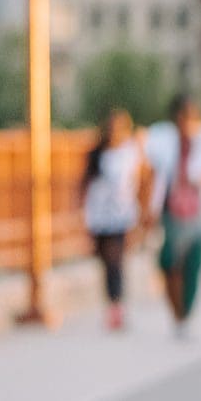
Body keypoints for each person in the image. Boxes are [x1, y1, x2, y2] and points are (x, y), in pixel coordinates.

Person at [145, 94, 201, 338]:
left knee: (193, 263)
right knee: (167, 260)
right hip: (171, 210)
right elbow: (153, 176)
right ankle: (177, 310)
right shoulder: (161, 139)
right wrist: (149, 209)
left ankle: (185, 315)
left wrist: (198, 181)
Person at [80, 109, 150, 331]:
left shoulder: (131, 153)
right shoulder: (96, 154)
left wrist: (143, 216)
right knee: (105, 261)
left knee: (115, 260)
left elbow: (142, 181)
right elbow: (85, 184)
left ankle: (117, 306)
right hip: (100, 215)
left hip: (121, 215)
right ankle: (112, 304)